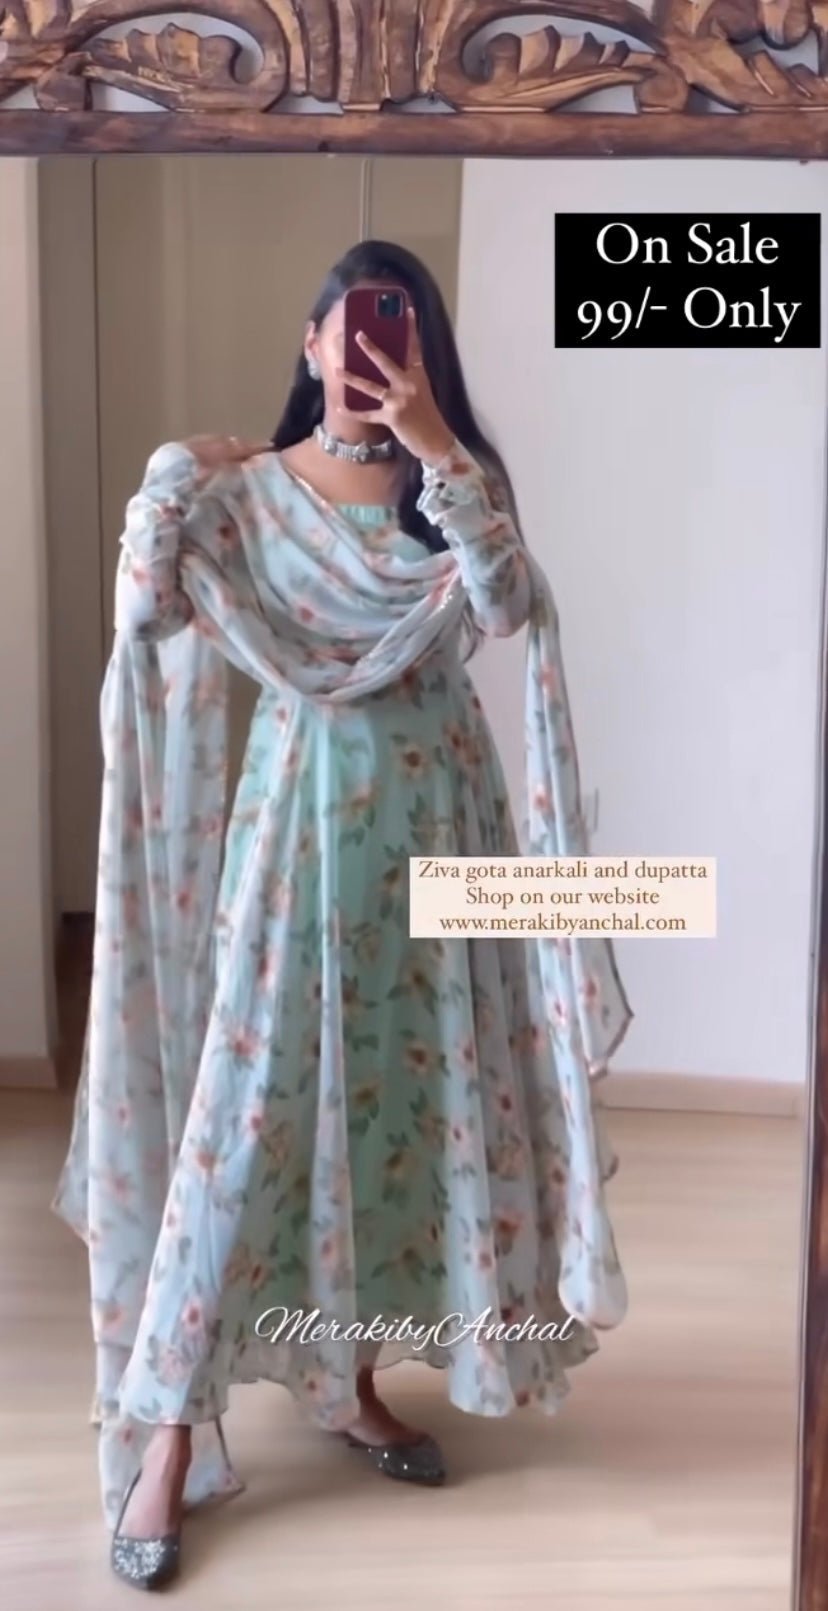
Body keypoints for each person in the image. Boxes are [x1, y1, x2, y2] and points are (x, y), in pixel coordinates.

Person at [53, 239, 632, 1590]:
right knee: (243, 1123)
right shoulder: (249, 494)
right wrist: (168, 475)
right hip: (297, 841)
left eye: (399, 332)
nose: (371, 349)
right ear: (310, 342)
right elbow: (145, 618)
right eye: (353, 328)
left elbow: (509, 610)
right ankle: (164, 1444)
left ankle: (349, 1382)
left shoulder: (454, 486)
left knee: (398, 1108)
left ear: (422, 354)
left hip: (439, 835)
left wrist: (436, 447)